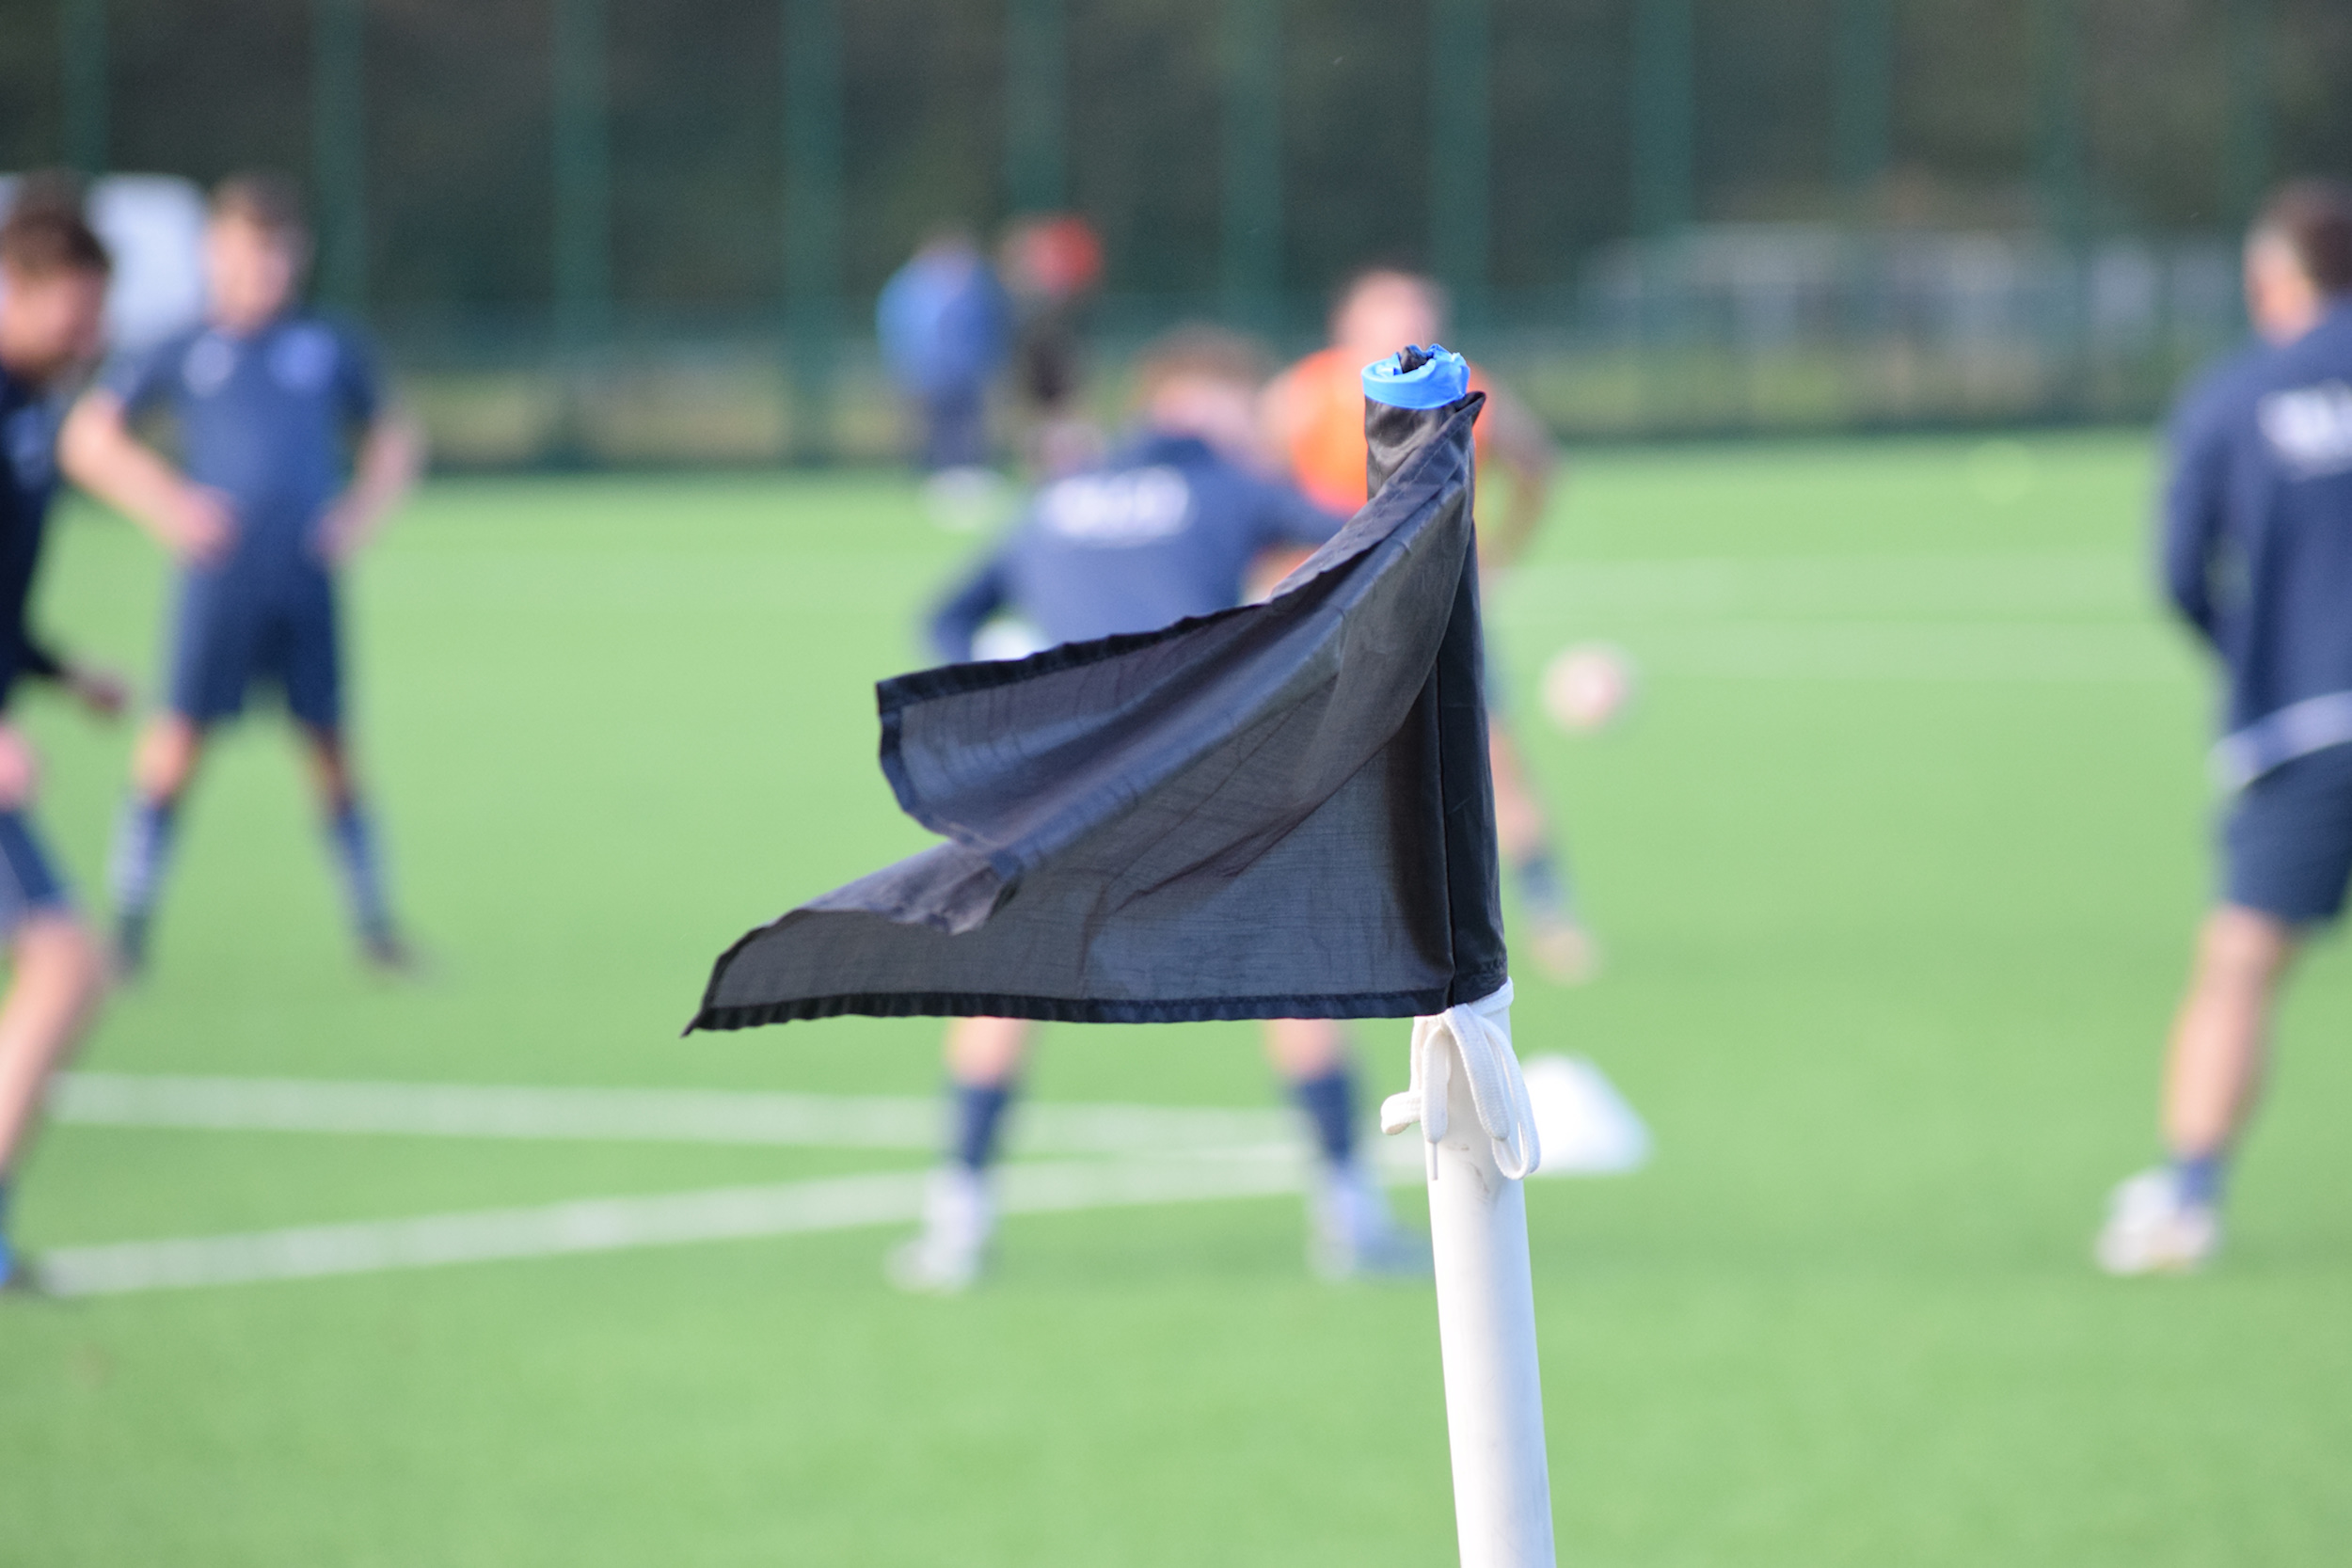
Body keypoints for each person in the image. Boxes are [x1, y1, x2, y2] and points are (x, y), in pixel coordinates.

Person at [891, 325, 1427, 1292]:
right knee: (1294, 972)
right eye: (1240, 400)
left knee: (1002, 983)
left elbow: (946, 612)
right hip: (1195, 761)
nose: (1251, 419)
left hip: (1059, 772)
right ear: (1193, 400)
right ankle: (1347, 1213)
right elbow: (1365, 535)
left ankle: (954, 1225)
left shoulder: (1059, 494)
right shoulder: (1222, 485)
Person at [60, 171, 423, 978]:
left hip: (303, 579)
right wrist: (168, 505)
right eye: (244, 251)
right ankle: (130, 927)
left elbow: (395, 440)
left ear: (299, 255)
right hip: (219, 582)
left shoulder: (325, 343)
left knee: (330, 745)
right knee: (176, 741)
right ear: (213, 253)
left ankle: (374, 925)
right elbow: (89, 440)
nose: (262, 270)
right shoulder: (182, 348)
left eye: (276, 253)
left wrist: (358, 517)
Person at [2096, 179, 2352, 1275]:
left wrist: (2250, 651)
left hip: (2304, 723)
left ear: (2268, 279)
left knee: (2241, 961)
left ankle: (2188, 1198)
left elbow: (2176, 571)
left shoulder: (2233, 394)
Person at [1263, 268, 1594, 983]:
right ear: (1346, 329)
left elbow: (1536, 466)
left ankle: (1551, 915)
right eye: (1386, 319)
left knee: (1491, 762)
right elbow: (1255, 495)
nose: (1402, 333)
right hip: (1333, 612)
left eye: (1415, 318)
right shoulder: (1302, 398)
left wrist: (1499, 553)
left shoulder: (1461, 390)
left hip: (1434, 601)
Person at [0, 182, 130, 1287]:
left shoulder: (35, 401)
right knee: (62, 959)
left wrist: (54, 667)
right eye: (72, 312)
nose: (90, 335)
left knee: (61, 961)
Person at [876, 226, 1010, 486]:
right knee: (929, 432)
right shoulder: (910, 288)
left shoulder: (972, 289)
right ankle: (929, 480)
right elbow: (902, 332)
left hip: (965, 374)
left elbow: (985, 331)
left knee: (967, 431)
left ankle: (964, 480)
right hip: (927, 373)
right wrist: (909, 367)